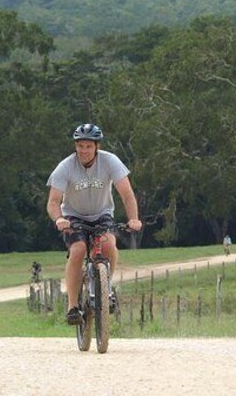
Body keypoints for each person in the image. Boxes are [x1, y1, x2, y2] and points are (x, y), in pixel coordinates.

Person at [46, 123, 141, 326]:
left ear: (97, 146)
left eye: (88, 146)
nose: (84, 151)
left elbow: (127, 194)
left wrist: (133, 218)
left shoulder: (110, 161)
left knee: (108, 244)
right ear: (75, 146)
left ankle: (107, 285)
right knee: (78, 249)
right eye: (80, 146)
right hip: (73, 216)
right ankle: (72, 307)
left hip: (102, 213)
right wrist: (59, 219)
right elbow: (53, 201)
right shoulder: (65, 166)